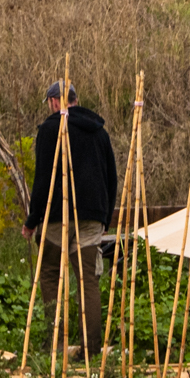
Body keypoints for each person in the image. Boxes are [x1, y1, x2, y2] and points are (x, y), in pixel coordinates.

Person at [22, 81, 116, 359]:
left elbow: (42, 181)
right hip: (92, 216)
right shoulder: (98, 131)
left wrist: (32, 220)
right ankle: (91, 349)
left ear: (54, 101)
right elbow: (111, 178)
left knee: (50, 272)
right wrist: (104, 216)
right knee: (88, 279)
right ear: (75, 99)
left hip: (56, 217)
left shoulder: (50, 130)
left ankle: (56, 342)